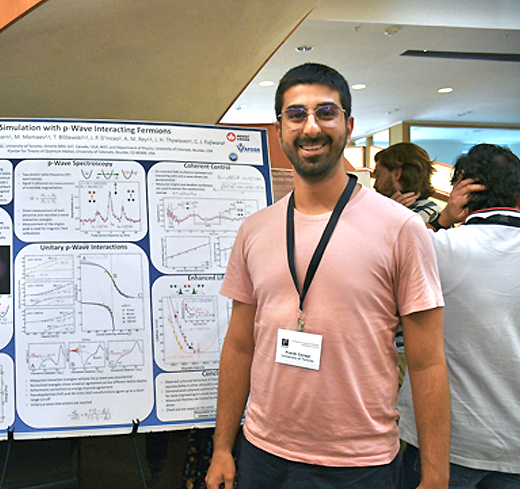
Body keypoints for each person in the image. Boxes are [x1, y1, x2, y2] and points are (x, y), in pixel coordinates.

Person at [205, 63, 450, 489]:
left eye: (326, 113)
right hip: (262, 456)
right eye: (296, 115)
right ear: (280, 129)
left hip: (359, 464)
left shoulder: (401, 229)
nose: (311, 127)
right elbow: (240, 344)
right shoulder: (255, 229)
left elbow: (428, 362)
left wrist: (435, 476)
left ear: (348, 125)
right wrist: (223, 448)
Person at [398, 144, 520, 489]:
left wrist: (442, 218)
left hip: (446, 444)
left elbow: (394, 257)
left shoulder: (442, 248)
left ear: (462, 189)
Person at [372, 142, 441, 388]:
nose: (374, 183)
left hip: (403, 344)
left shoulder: (426, 217)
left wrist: (391, 218)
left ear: (397, 173)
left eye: (378, 174)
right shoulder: (393, 213)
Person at [373, 142, 440, 222]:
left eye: (378, 176)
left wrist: (388, 215)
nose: (375, 185)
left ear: (397, 173)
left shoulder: (420, 217)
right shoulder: (430, 211)